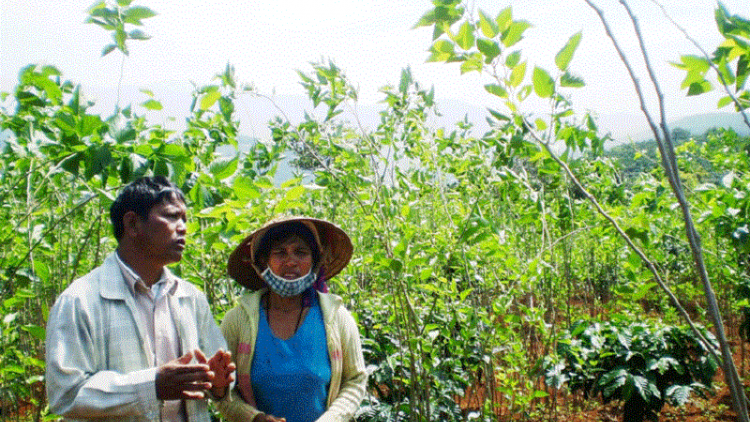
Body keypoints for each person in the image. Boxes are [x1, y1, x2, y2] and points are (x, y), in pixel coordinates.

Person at [45, 176, 236, 422]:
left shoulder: (190, 297)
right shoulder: (79, 300)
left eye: (184, 219)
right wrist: (152, 386)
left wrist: (217, 384)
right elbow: (66, 394)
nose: (183, 227)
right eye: (171, 216)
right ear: (133, 224)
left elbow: (215, 383)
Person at [218, 216, 367, 422]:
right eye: (279, 252)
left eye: (301, 252)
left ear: (315, 261)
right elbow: (222, 392)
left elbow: (355, 380)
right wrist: (255, 418)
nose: (290, 261)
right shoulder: (238, 321)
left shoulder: (336, 318)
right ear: (263, 262)